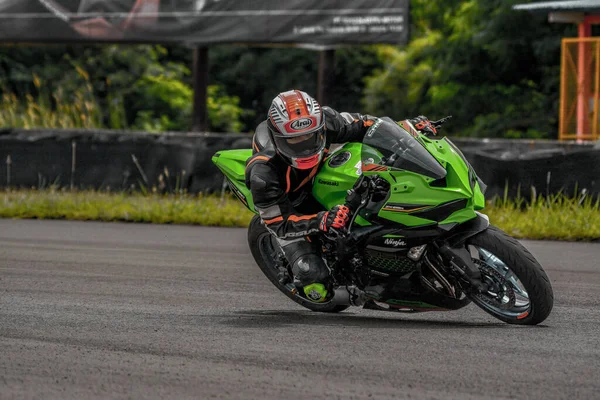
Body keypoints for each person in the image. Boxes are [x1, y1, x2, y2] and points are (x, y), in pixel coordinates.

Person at [245, 90, 435, 303]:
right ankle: (349, 289)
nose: (304, 146)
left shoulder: (327, 120)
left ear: (320, 128)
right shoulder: (263, 174)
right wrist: (322, 220)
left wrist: (404, 128)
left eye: (310, 137)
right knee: (315, 281)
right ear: (278, 138)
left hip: (320, 176)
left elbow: (368, 124)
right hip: (292, 202)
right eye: (294, 141)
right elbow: (279, 223)